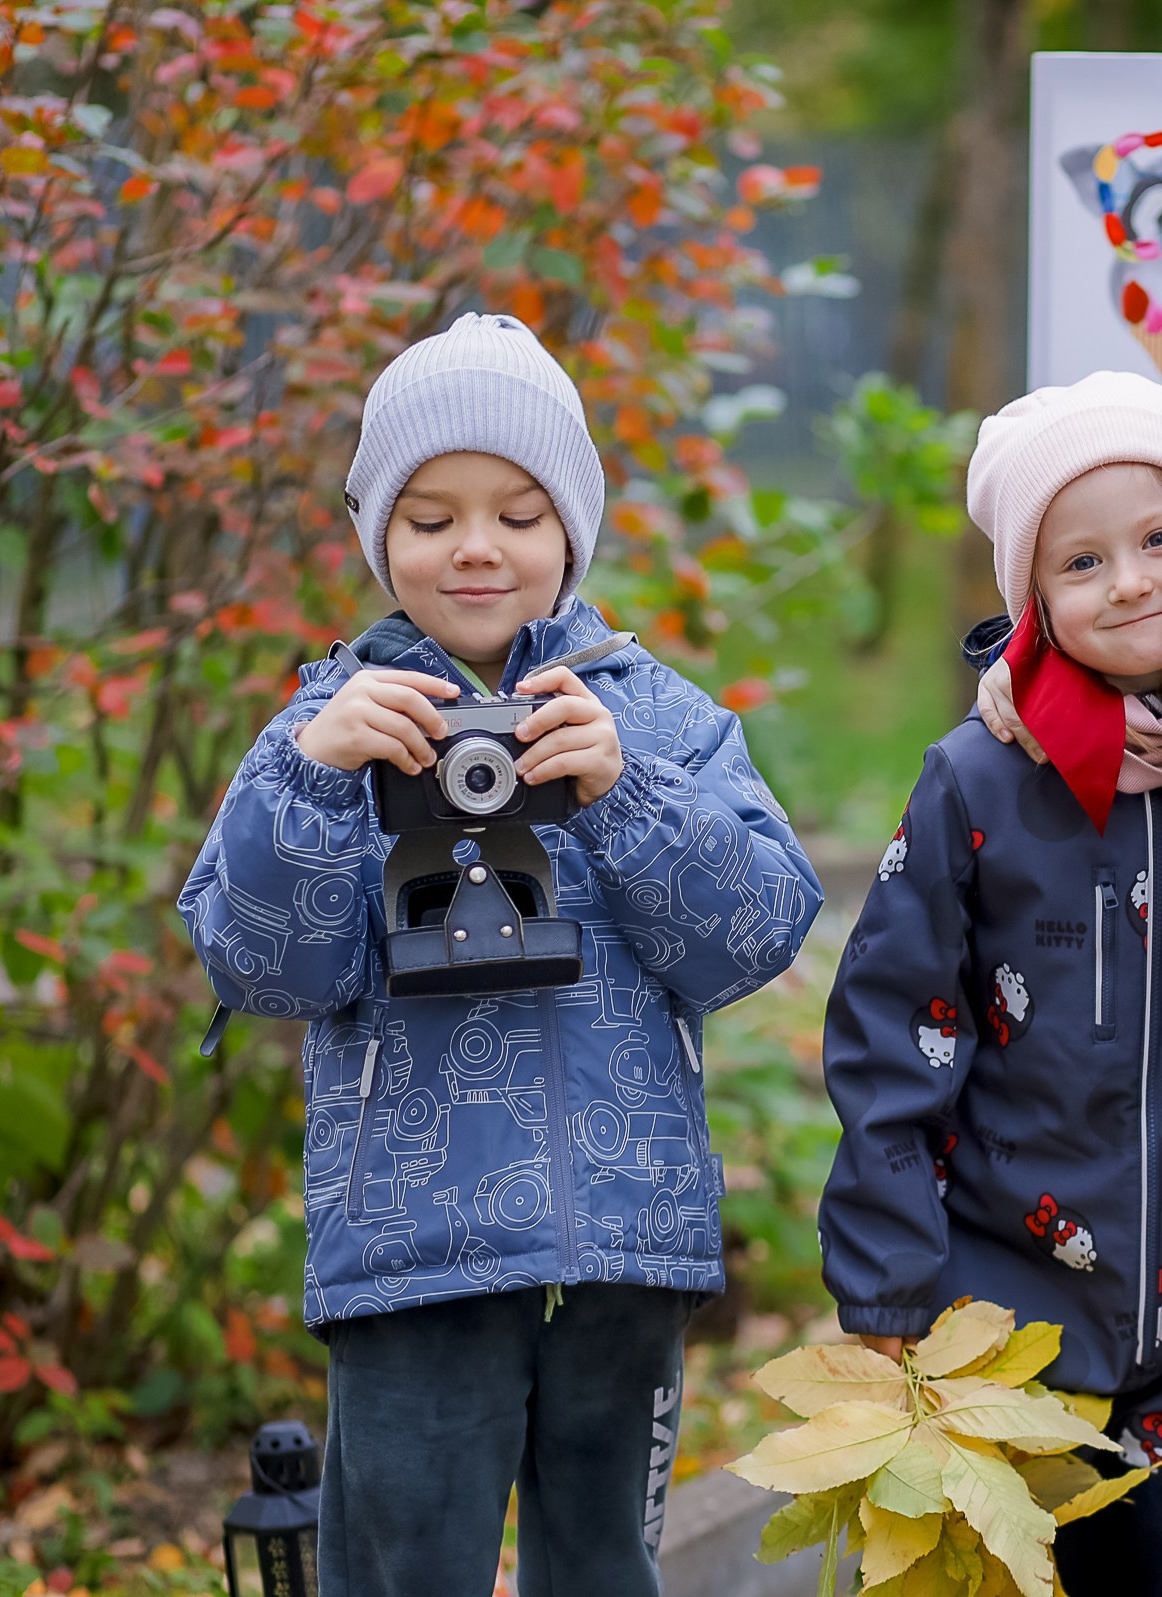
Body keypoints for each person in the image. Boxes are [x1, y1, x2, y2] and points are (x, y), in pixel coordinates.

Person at [178, 312, 821, 1597]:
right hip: (413, 1252)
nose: (476, 546)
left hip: (623, 1246)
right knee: (404, 1569)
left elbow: (755, 935)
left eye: (518, 514)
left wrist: (628, 794)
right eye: (430, 518)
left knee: (605, 1567)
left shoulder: (654, 719)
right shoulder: (331, 725)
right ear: (381, 537)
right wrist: (314, 779)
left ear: (572, 528)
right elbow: (260, 967)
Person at [819, 372, 1162, 1597]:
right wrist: (886, 1270)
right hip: (1011, 1317)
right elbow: (894, 1030)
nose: (1131, 582)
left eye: (1159, 539)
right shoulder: (979, 780)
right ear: (1031, 596)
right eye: (1081, 562)